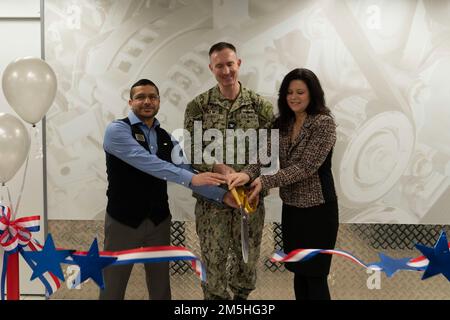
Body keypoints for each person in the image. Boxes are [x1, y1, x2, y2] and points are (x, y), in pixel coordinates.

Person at [101, 78, 237, 300]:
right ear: (130, 102)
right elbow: (148, 163)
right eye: (140, 97)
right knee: (113, 287)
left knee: (161, 287)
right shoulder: (117, 130)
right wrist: (192, 179)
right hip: (122, 222)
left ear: (159, 101)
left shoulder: (166, 138)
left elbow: (187, 171)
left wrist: (223, 196)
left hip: (158, 222)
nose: (147, 101)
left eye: (152, 97)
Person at [228, 68, 339, 300]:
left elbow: (306, 167)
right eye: (289, 92)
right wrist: (246, 175)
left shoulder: (323, 123)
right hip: (292, 209)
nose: (294, 97)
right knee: (298, 272)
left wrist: (265, 180)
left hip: (318, 210)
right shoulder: (283, 123)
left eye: (300, 92)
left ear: (312, 94)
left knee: (315, 275)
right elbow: (263, 155)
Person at [184, 42, 274, 300]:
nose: (226, 71)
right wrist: (216, 167)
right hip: (212, 200)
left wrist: (247, 175)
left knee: (247, 263)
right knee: (213, 263)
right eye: (219, 66)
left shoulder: (260, 107)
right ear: (211, 68)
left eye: (230, 64)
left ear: (239, 64)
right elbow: (189, 149)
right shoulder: (198, 106)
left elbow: (269, 152)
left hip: (249, 199)